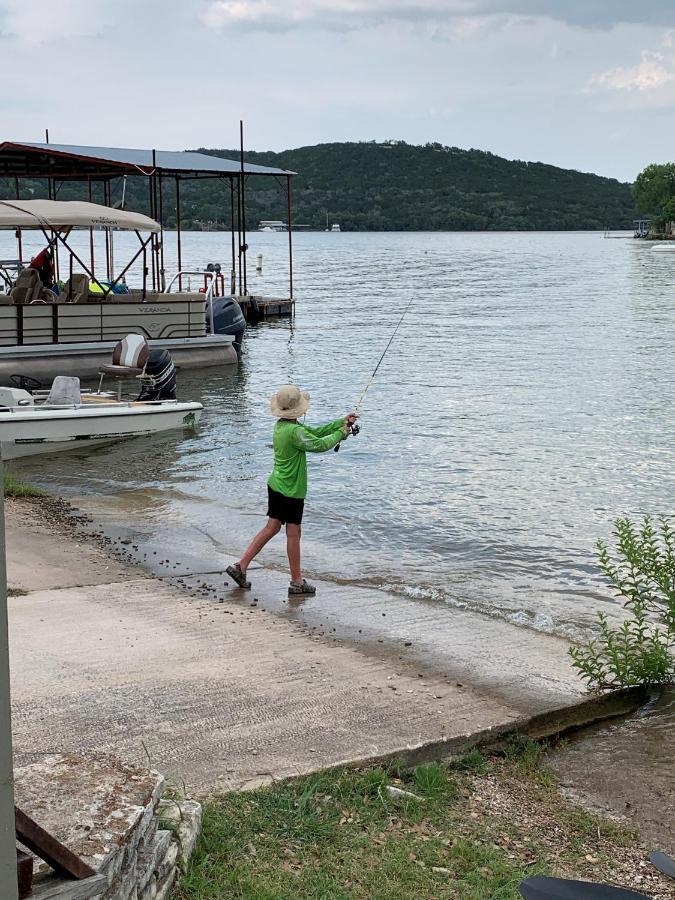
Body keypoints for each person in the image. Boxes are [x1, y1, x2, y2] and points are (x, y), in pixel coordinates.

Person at [226, 384, 357, 596]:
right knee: (293, 533)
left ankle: (240, 566)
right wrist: (342, 433)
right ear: (298, 410)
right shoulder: (295, 432)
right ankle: (297, 582)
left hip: (276, 485)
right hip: (291, 490)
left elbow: (313, 433)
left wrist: (341, 423)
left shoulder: (281, 427)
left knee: (271, 528)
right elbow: (319, 445)